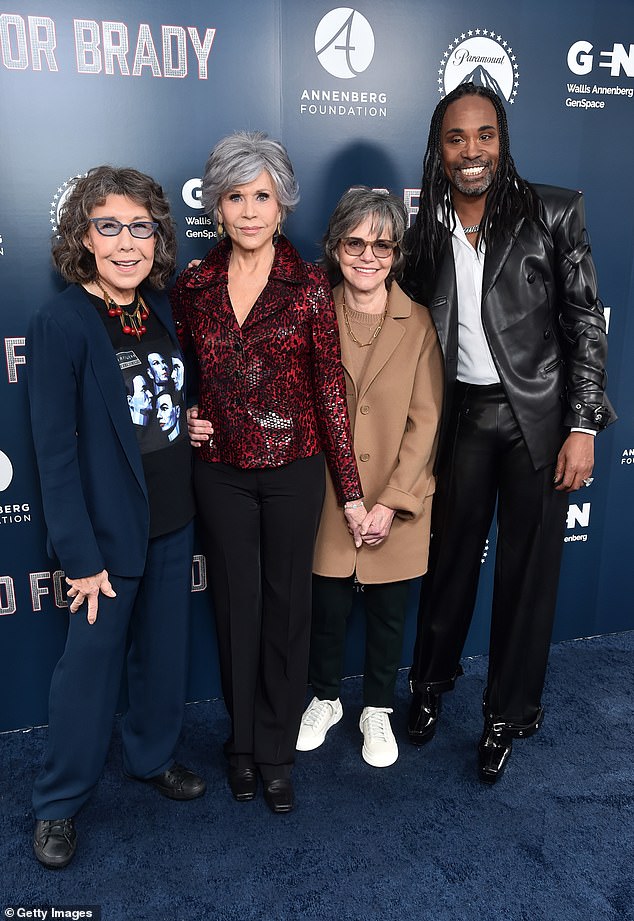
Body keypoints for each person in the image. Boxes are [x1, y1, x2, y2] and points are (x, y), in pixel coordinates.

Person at [402, 83, 615, 783]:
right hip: (459, 417)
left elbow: (585, 323)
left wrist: (582, 424)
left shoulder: (553, 211)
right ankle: (429, 686)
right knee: (448, 564)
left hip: (538, 423)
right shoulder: (424, 228)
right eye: (457, 137)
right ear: (440, 147)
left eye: (484, 135)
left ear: (503, 140)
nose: (472, 151)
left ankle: (507, 713)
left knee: (527, 578)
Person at [171, 131, 364, 814]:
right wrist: (186, 409)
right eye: (235, 196)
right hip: (219, 472)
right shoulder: (192, 287)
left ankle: (277, 753)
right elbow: (173, 376)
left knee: (287, 611)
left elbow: (330, 391)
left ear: (282, 204)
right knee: (236, 610)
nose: (250, 209)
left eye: (262, 195)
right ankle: (242, 746)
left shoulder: (311, 284)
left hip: (295, 467)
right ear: (216, 206)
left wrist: (351, 489)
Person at [27, 166, 205, 870]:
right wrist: (79, 555)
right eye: (110, 226)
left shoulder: (157, 307)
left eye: (141, 227)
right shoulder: (64, 322)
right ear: (83, 236)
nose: (127, 242)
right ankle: (58, 804)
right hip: (102, 535)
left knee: (162, 659)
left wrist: (181, 423)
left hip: (172, 515)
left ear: (157, 236)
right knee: (89, 671)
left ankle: (152, 758)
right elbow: (53, 454)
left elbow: (152, 398)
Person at [296, 187, 443, 767]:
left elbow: (425, 418)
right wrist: (351, 501)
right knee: (326, 609)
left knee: (388, 613)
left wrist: (390, 502)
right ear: (334, 247)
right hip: (329, 495)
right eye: (355, 242)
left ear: (397, 252)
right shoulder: (313, 312)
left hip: (396, 496)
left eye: (382, 245)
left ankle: (377, 708)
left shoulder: (420, 321)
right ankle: (326, 698)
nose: (368, 255)